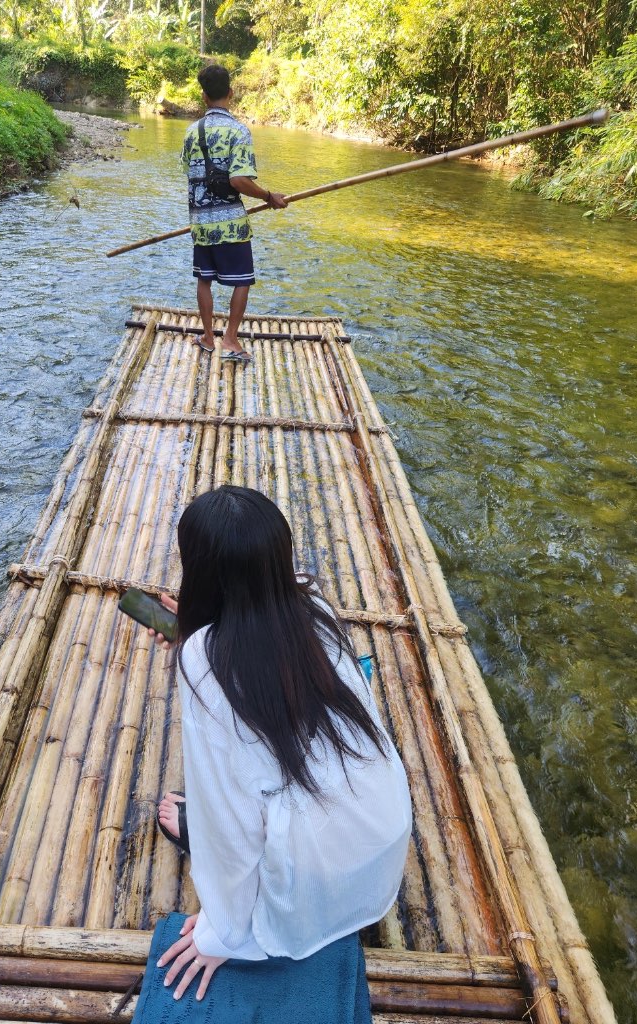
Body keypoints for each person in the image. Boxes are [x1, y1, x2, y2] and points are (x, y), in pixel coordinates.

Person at [148, 486, 412, 1003]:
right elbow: (262, 653)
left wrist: (220, 934)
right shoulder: (312, 601)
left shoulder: (200, 661)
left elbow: (229, 820)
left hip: (310, 874)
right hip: (382, 838)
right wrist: (196, 628)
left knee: (221, 808)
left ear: (197, 571)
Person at [181, 65, 288, 361]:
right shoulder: (238, 131)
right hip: (230, 224)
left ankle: (207, 337)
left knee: (204, 279)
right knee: (242, 280)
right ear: (231, 93)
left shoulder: (191, 133)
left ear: (204, 96)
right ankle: (229, 340)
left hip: (200, 222)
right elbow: (238, 180)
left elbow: (190, 173)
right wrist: (268, 197)